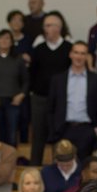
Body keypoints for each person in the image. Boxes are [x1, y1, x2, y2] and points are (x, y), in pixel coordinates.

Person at [49, 41, 97, 159]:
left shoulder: (95, 79)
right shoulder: (58, 79)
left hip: (87, 131)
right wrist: (54, 130)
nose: (79, 57)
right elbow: (51, 108)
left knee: (84, 167)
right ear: (70, 54)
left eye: (83, 53)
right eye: (76, 52)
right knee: (62, 165)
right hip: (63, 129)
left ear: (87, 56)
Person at [28, 14, 70, 166]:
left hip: (61, 100)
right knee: (38, 136)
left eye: (49, 25)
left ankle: (58, 169)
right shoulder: (39, 49)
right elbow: (32, 72)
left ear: (58, 28)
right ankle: (34, 169)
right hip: (40, 98)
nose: (46, 29)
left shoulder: (68, 49)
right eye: (45, 26)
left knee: (59, 136)